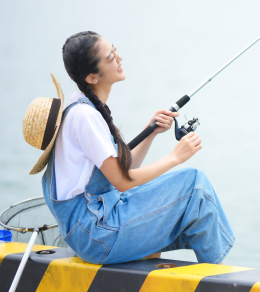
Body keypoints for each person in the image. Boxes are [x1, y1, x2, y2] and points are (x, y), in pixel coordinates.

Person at [21, 31, 235, 265]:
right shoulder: (85, 116)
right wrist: (175, 157)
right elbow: (122, 182)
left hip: (92, 232)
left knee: (176, 194)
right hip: (98, 235)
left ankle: (204, 278)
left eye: (115, 50)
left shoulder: (80, 108)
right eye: (110, 57)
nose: (119, 58)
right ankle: (219, 282)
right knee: (195, 185)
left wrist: (150, 132)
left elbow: (121, 171)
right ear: (92, 77)